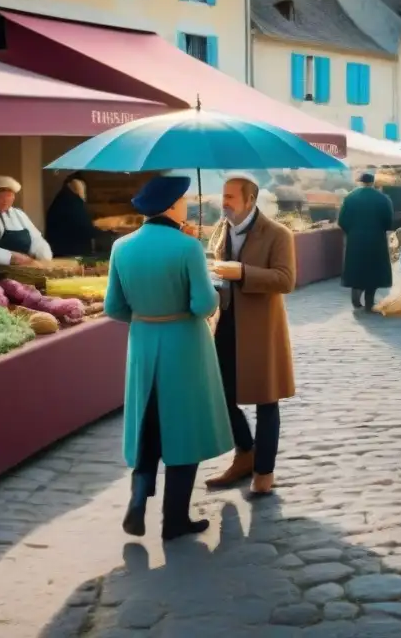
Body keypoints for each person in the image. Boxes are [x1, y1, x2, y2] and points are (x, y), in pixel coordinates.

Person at [104, 175, 232, 541]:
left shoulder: (121, 247)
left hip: (143, 342)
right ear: (172, 206)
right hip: (184, 343)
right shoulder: (187, 246)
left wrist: (147, 317)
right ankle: (174, 519)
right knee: (183, 428)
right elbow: (203, 303)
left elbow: (114, 306)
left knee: (148, 424)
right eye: (183, 200)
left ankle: (138, 501)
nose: (187, 205)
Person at [205, 176, 296, 495]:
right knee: (221, 395)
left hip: (261, 331)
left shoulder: (278, 234)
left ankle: (264, 471)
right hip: (226, 323)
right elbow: (218, 272)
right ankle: (245, 453)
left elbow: (285, 280)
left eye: (230, 196)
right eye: (223, 195)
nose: (224, 201)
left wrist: (242, 273)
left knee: (266, 401)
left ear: (250, 199)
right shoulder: (222, 229)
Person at [0, 176, 53, 276]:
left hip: (26, 273)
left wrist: (45, 259)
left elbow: (37, 239)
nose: (5, 201)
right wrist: (13, 258)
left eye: (9, 197)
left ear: (13, 197)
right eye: (1, 197)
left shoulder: (19, 215)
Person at [338, 172, 394, 311]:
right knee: (373, 270)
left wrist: (351, 232)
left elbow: (342, 220)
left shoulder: (350, 197)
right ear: (373, 182)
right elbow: (388, 221)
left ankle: (355, 295)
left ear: (360, 182)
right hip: (376, 239)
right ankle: (369, 302)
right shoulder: (383, 198)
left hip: (355, 238)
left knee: (357, 268)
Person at [45, 173, 102, 257]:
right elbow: (84, 227)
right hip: (71, 252)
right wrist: (105, 230)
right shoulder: (71, 202)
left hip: (61, 250)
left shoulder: (62, 199)